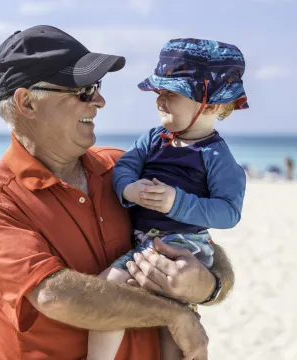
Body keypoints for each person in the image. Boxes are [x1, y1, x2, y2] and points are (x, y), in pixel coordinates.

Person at [0, 25, 235, 360]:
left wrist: (209, 284)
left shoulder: (123, 169)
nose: (100, 101)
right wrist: (173, 314)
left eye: (97, 87)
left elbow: (204, 245)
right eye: (84, 91)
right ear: (27, 102)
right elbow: (55, 295)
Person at [87, 39, 248, 360]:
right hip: (145, 240)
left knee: (109, 291)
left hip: (184, 244)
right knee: (169, 320)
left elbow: (228, 212)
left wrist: (177, 201)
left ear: (213, 105)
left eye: (171, 94)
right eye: (158, 93)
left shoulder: (216, 156)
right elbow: (127, 165)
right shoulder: (153, 138)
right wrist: (127, 189)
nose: (160, 101)